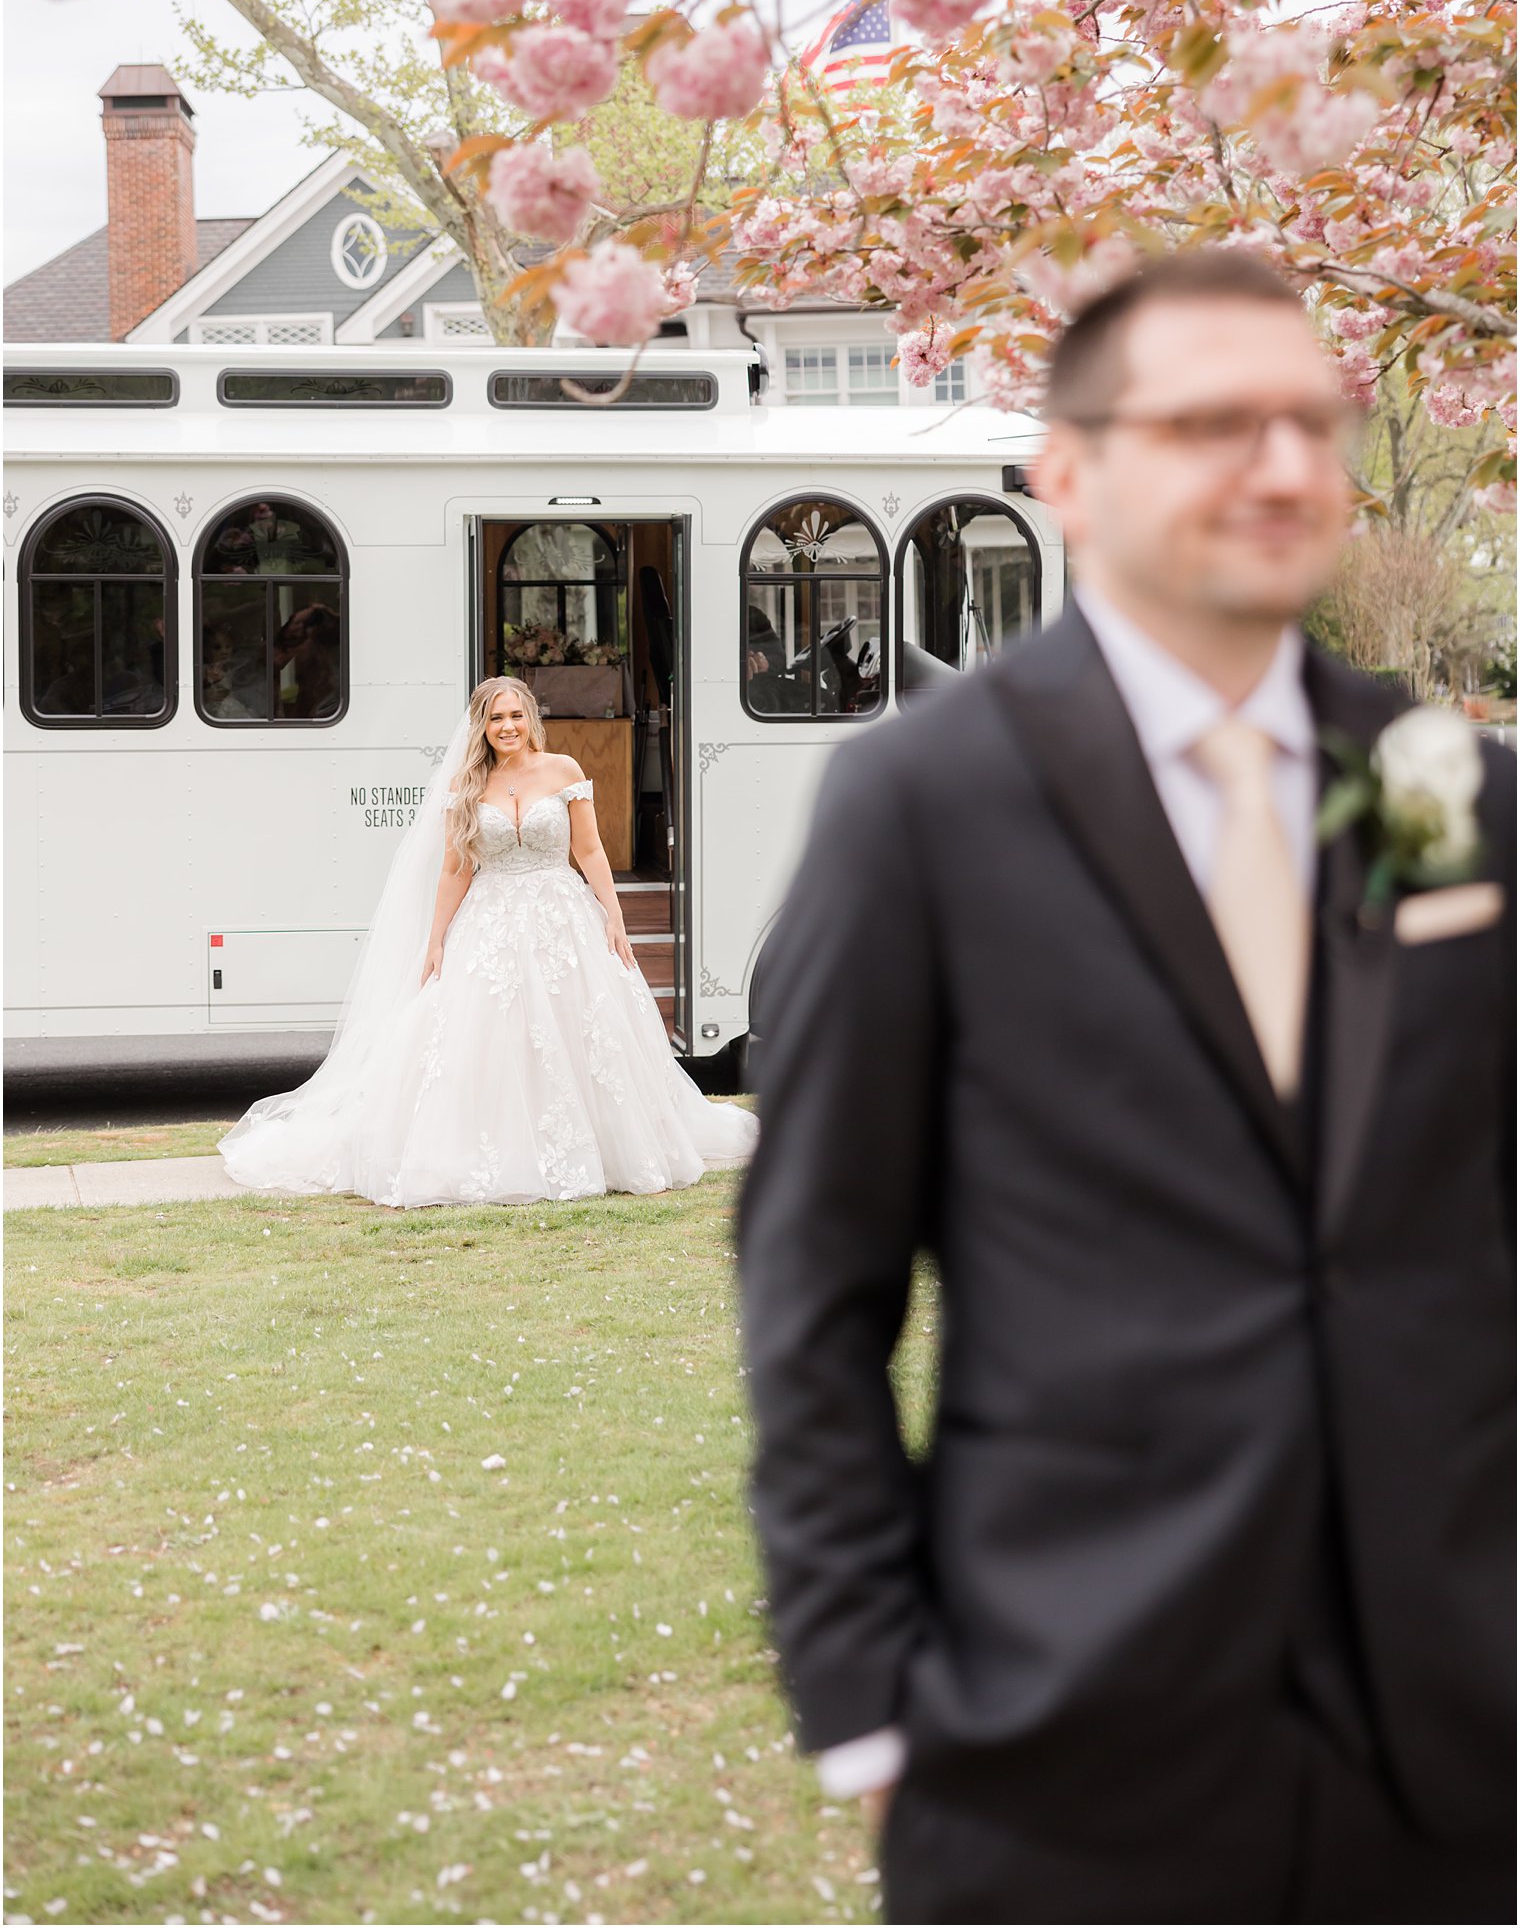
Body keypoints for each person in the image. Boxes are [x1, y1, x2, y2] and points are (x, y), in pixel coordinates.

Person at [738, 251, 1514, 1925]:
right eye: (1218, 421)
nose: (1290, 465)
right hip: (1061, 1738)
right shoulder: (921, 804)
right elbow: (814, 1286)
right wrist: (868, 1701)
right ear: (1067, 476)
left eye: (1315, 419)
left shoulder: (1434, 782)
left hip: (1453, 1750)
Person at [221, 675, 756, 1205]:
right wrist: (436, 941)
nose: (507, 726)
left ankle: (599, 1146)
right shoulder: (467, 786)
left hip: (562, 916)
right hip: (490, 919)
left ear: (531, 719)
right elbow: (455, 871)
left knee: (579, 1029)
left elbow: (590, 852)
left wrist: (614, 918)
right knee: (488, 1033)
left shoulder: (563, 770)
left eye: (515, 715)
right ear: (481, 725)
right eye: (496, 718)